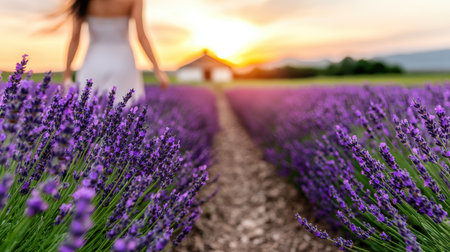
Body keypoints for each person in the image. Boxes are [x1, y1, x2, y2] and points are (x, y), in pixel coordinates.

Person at [62, 0, 169, 101]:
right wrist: (157, 70)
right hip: (123, 64)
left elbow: (75, 38)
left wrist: (67, 75)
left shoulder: (84, 2)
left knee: (87, 111)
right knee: (126, 110)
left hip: (94, 64)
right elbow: (142, 37)